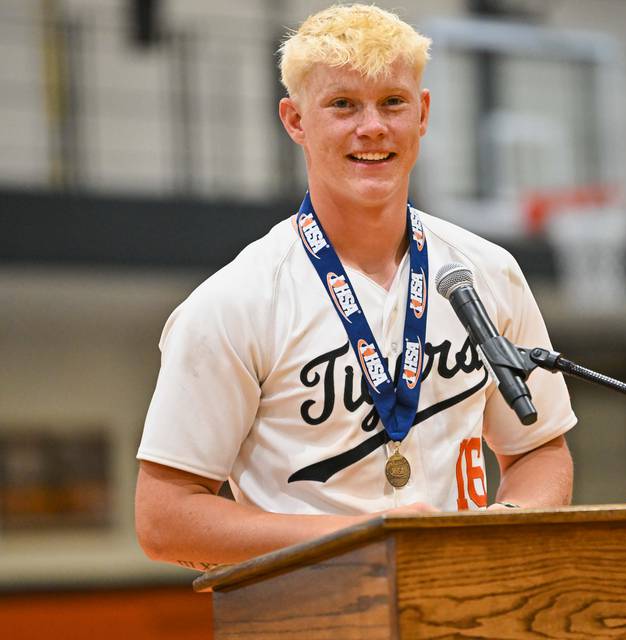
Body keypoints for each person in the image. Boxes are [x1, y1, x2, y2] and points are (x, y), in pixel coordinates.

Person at [135, 3, 576, 570]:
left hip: (468, 603)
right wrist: (367, 534)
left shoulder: (486, 274)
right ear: (295, 121)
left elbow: (539, 448)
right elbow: (165, 519)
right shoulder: (234, 303)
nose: (372, 127)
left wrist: (512, 518)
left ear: (422, 112)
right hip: (308, 618)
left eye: (392, 102)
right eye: (342, 104)